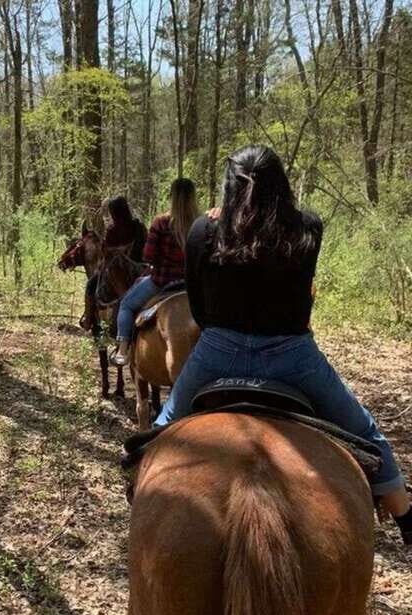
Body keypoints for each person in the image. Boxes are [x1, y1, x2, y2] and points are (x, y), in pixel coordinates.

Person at [152, 144, 412, 541]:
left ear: (229, 186)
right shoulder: (309, 227)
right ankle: (404, 514)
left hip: (217, 352)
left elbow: (199, 305)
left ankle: (143, 502)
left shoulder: (204, 230)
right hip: (293, 355)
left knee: (158, 433)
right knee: (368, 436)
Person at [111, 178, 198, 366]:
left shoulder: (161, 222)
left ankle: (123, 350)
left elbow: (149, 256)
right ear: (193, 197)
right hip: (194, 285)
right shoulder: (202, 223)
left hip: (162, 281)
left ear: (172, 197)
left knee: (126, 305)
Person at [81, 196, 145, 331]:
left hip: (130, 268)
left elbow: (107, 252)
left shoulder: (128, 228)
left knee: (91, 285)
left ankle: (88, 318)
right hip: (139, 268)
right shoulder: (136, 226)